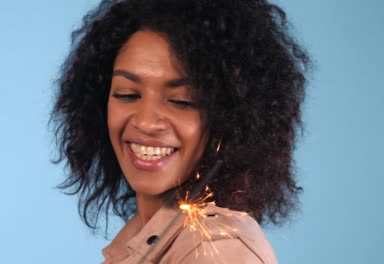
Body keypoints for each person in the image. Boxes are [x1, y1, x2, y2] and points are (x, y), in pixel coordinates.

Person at [51, 0, 309, 263]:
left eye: (182, 100)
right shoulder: (144, 239)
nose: (146, 122)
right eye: (127, 95)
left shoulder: (217, 252)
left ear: (230, 119)